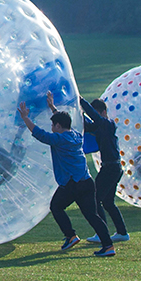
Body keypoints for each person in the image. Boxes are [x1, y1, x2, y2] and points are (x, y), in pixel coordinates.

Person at [18, 99, 115, 257]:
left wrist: (25, 117)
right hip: (87, 182)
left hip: (73, 184)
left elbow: (39, 134)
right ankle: (108, 245)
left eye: (53, 125)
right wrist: (53, 108)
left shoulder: (59, 139)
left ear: (57, 126)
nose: (52, 128)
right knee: (93, 215)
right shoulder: (76, 135)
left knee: (56, 207)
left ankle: (70, 236)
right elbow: (63, 122)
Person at [78, 97, 130, 244]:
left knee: (95, 199)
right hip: (111, 167)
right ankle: (122, 232)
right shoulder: (100, 126)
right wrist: (78, 114)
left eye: (96, 113)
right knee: (107, 202)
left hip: (111, 167)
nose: (94, 116)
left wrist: (81, 101)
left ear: (104, 112)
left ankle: (102, 234)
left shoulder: (108, 124)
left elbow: (94, 119)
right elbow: (87, 126)